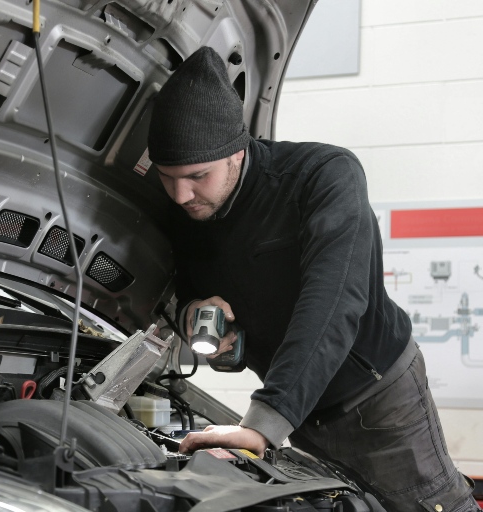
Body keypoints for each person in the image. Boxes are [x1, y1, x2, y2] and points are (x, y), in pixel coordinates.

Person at [147, 46, 480, 512]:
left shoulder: (322, 177)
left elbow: (333, 302)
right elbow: (185, 285)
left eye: (197, 176)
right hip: (299, 412)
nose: (181, 195)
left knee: (428, 507)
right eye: (167, 177)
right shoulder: (187, 207)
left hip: (377, 400)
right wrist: (192, 317)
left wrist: (264, 423)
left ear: (237, 152)